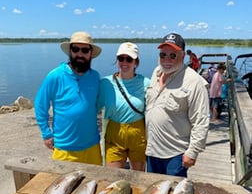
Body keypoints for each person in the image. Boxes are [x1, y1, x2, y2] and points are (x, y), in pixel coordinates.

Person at [145, 32, 209, 177]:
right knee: (154, 193)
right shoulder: (156, 72)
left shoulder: (194, 82)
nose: (167, 59)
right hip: (152, 151)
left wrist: (192, 152)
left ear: (183, 56)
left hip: (175, 154)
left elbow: (201, 120)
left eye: (173, 55)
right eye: (163, 55)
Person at [34, 31, 103, 165]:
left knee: (95, 184)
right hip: (64, 148)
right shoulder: (55, 76)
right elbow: (40, 105)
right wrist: (46, 133)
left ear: (91, 53)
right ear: (70, 51)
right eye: (75, 49)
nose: (80, 54)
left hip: (92, 147)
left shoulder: (95, 77)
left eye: (84, 50)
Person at [97, 42, 150, 171]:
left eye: (129, 59)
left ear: (136, 62)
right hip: (114, 133)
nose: (124, 62)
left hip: (138, 133)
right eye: (121, 58)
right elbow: (93, 107)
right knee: (112, 176)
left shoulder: (146, 83)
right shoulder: (105, 83)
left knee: (139, 176)